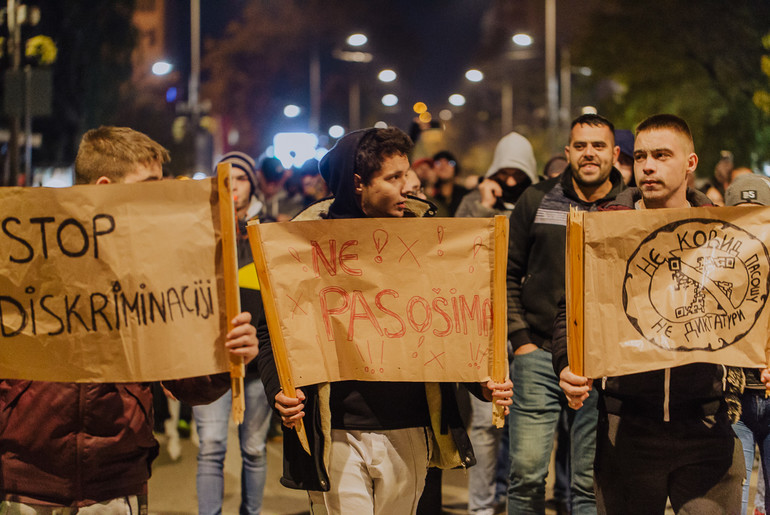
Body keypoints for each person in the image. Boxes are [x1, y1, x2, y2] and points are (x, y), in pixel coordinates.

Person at [256, 127, 514, 515]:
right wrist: (279, 388)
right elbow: (270, 329)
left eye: (406, 175)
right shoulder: (304, 241)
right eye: (393, 178)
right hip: (335, 427)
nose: (407, 187)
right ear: (359, 183)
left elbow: (450, 322)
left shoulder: (427, 238)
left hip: (408, 424)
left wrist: (483, 379)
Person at [0, 126, 259, 512]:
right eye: (151, 184)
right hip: (26, 481)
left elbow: (189, 385)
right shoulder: (22, 258)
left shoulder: (159, 269)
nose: (163, 193)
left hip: (115, 481)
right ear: (107, 187)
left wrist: (225, 356)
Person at [554, 114, 745, 514]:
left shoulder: (728, 232)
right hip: (627, 427)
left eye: (661, 155)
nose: (648, 166)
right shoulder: (603, 228)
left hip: (707, 424)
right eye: (641, 156)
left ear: (690, 163)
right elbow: (570, 311)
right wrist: (566, 364)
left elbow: (756, 305)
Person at [506, 113, 626, 515]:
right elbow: (506, 274)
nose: (589, 153)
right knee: (525, 475)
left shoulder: (631, 206)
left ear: (615, 153)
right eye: (581, 145)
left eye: (598, 145)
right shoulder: (535, 200)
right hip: (537, 353)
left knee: (589, 481)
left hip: (603, 361)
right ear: (568, 152)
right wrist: (520, 340)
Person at [455, 131, 537, 515]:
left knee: (522, 421)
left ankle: (506, 493)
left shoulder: (536, 204)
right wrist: (484, 206)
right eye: (502, 171)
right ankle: (481, 506)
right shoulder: (472, 204)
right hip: (483, 324)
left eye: (517, 172)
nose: (509, 180)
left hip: (524, 324)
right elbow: (460, 250)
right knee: (486, 426)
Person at [193, 151, 272, 515]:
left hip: (259, 363)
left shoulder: (267, 230)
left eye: (240, 177)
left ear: (252, 184)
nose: (233, 185)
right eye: (225, 177)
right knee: (211, 446)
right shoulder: (198, 229)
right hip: (210, 358)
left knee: (254, 448)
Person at [725, 173, 770, 515]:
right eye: (741, 215)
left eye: (760, 214)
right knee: (732, 505)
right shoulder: (713, 268)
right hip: (733, 402)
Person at [455, 131, 537, 220]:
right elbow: (460, 232)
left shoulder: (542, 200)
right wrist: (484, 207)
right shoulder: (472, 200)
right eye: (504, 173)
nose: (510, 182)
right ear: (495, 171)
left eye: (518, 174)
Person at [429, 150, 470, 217]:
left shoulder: (466, 195)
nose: (443, 166)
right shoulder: (428, 195)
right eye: (438, 163)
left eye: (450, 163)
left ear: (455, 169)